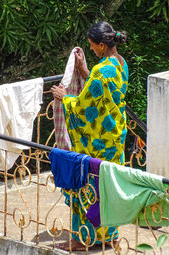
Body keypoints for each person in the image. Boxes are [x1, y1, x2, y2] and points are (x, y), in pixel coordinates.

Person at [51, 21, 129, 251]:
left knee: (87, 184)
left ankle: (81, 238)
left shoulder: (100, 71)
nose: (92, 50)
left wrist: (64, 97)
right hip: (115, 137)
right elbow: (100, 93)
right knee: (109, 186)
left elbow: (85, 107)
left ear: (102, 45)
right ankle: (110, 235)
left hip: (97, 142)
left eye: (93, 46)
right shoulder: (120, 64)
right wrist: (84, 70)